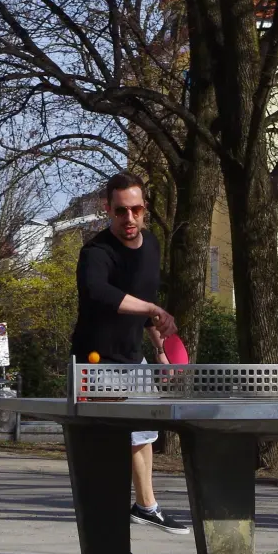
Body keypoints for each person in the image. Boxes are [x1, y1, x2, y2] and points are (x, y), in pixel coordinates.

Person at [70, 172, 188, 535]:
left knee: (142, 435)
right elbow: (101, 294)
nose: (129, 219)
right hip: (96, 361)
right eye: (121, 211)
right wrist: (152, 309)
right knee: (105, 440)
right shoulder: (96, 253)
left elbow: (144, 308)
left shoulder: (151, 246)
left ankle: (146, 506)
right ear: (109, 210)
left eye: (136, 210)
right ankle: (104, 522)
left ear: (145, 210)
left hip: (132, 358)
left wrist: (162, 351)